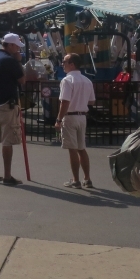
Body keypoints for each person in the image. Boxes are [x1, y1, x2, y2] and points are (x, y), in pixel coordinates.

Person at [0, 32, 26, 185]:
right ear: (9, 45)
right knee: (7, 141)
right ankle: (7, 176)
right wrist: (19, 62)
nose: (18, 49)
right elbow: (22, 80)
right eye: (16, 46)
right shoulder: (10, 60)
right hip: (6, 105)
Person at [55, 53, 95, 188]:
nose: (63, 64)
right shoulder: (87, 80)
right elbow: (92, 101)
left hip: (70, 116)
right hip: (82, 116)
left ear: (72, 64)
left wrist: (58, 119)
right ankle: (87, 178)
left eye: (65, 62)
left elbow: (64, 102)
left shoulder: (67, 80)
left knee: (72, 149)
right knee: (81, 148)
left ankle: (75, 179)